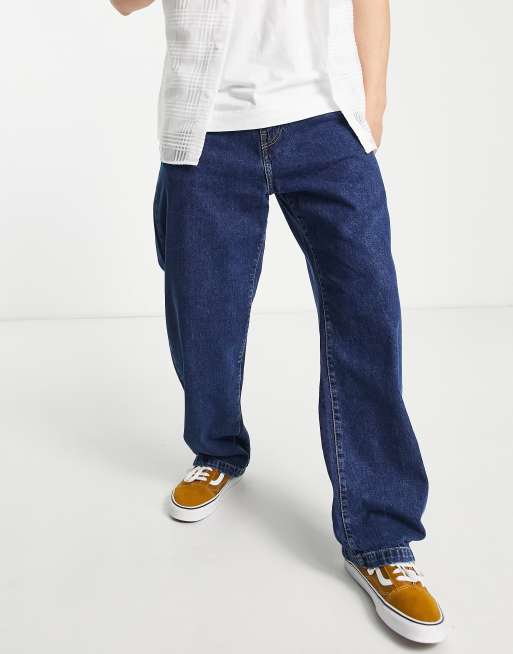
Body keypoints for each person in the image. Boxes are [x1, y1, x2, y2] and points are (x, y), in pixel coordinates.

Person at [110, 0, 446, 644]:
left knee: (368, 320)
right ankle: (216, 449)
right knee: (203, 318)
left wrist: (373, 99)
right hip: (208, 126)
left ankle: (380, 539)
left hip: (327, 120)